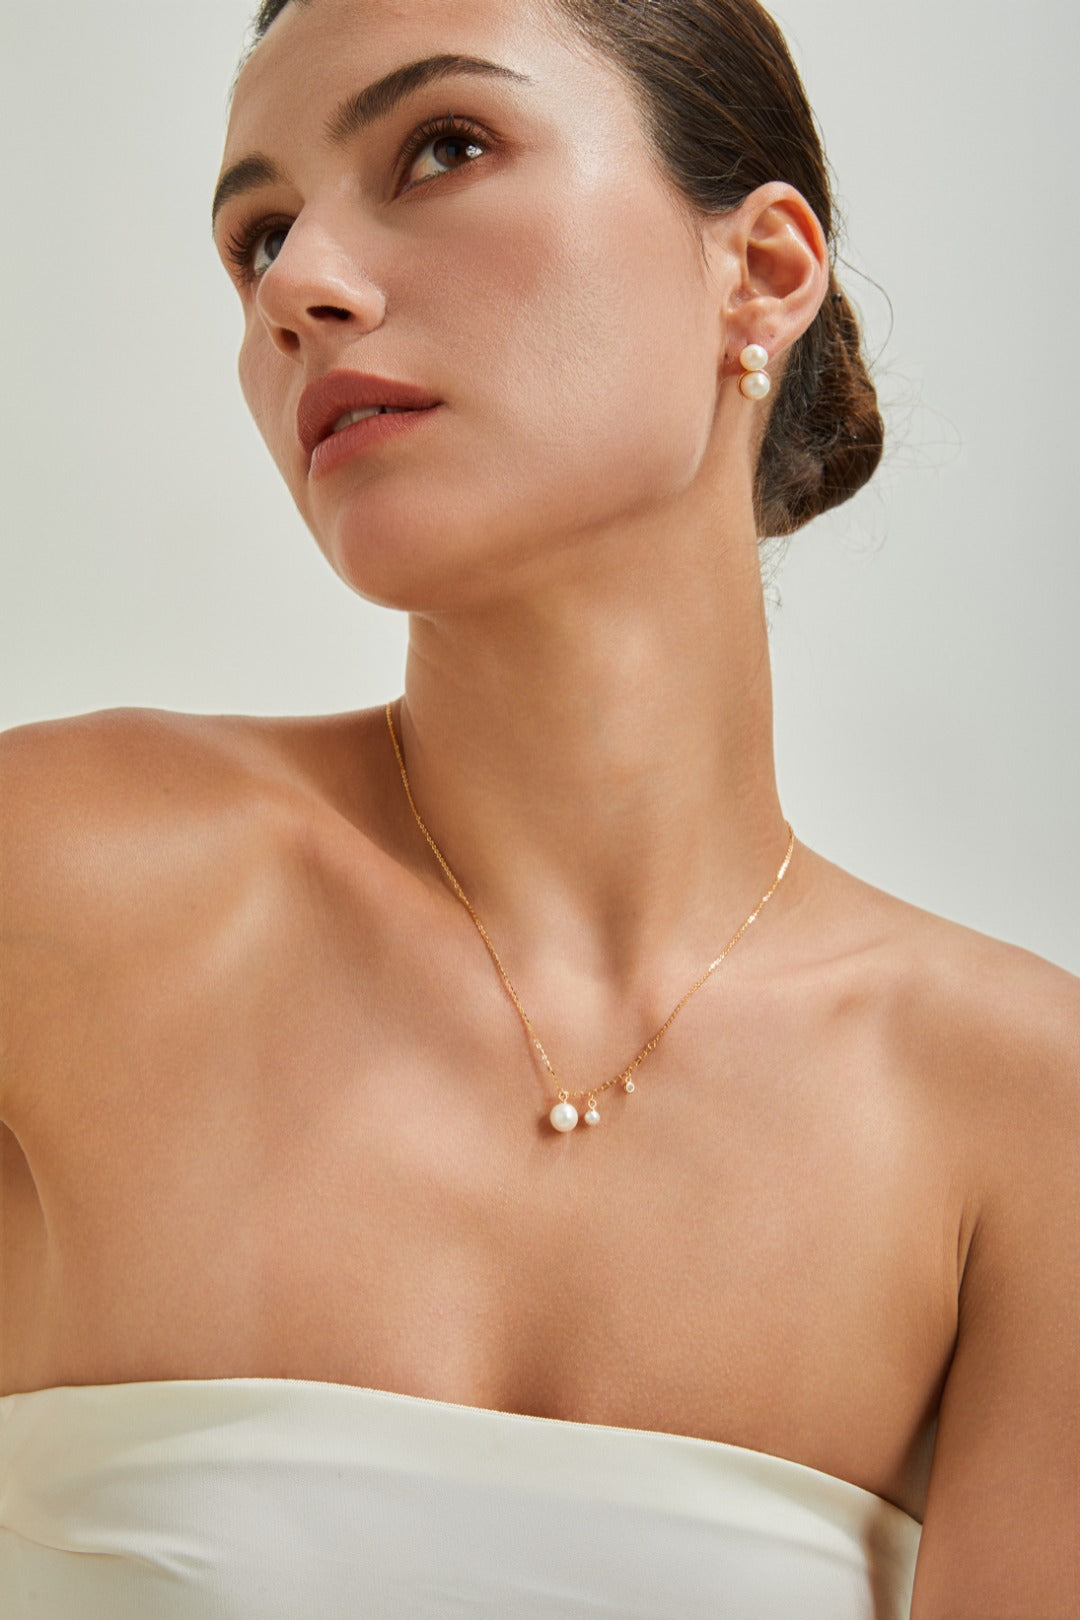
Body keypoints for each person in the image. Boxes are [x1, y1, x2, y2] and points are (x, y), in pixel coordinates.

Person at [0, 0, 1076, 1616]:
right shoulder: (63, 882)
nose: (297, 285)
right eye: (258, 234)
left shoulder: (1021, 1120)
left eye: (444, 147)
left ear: (764, 271)